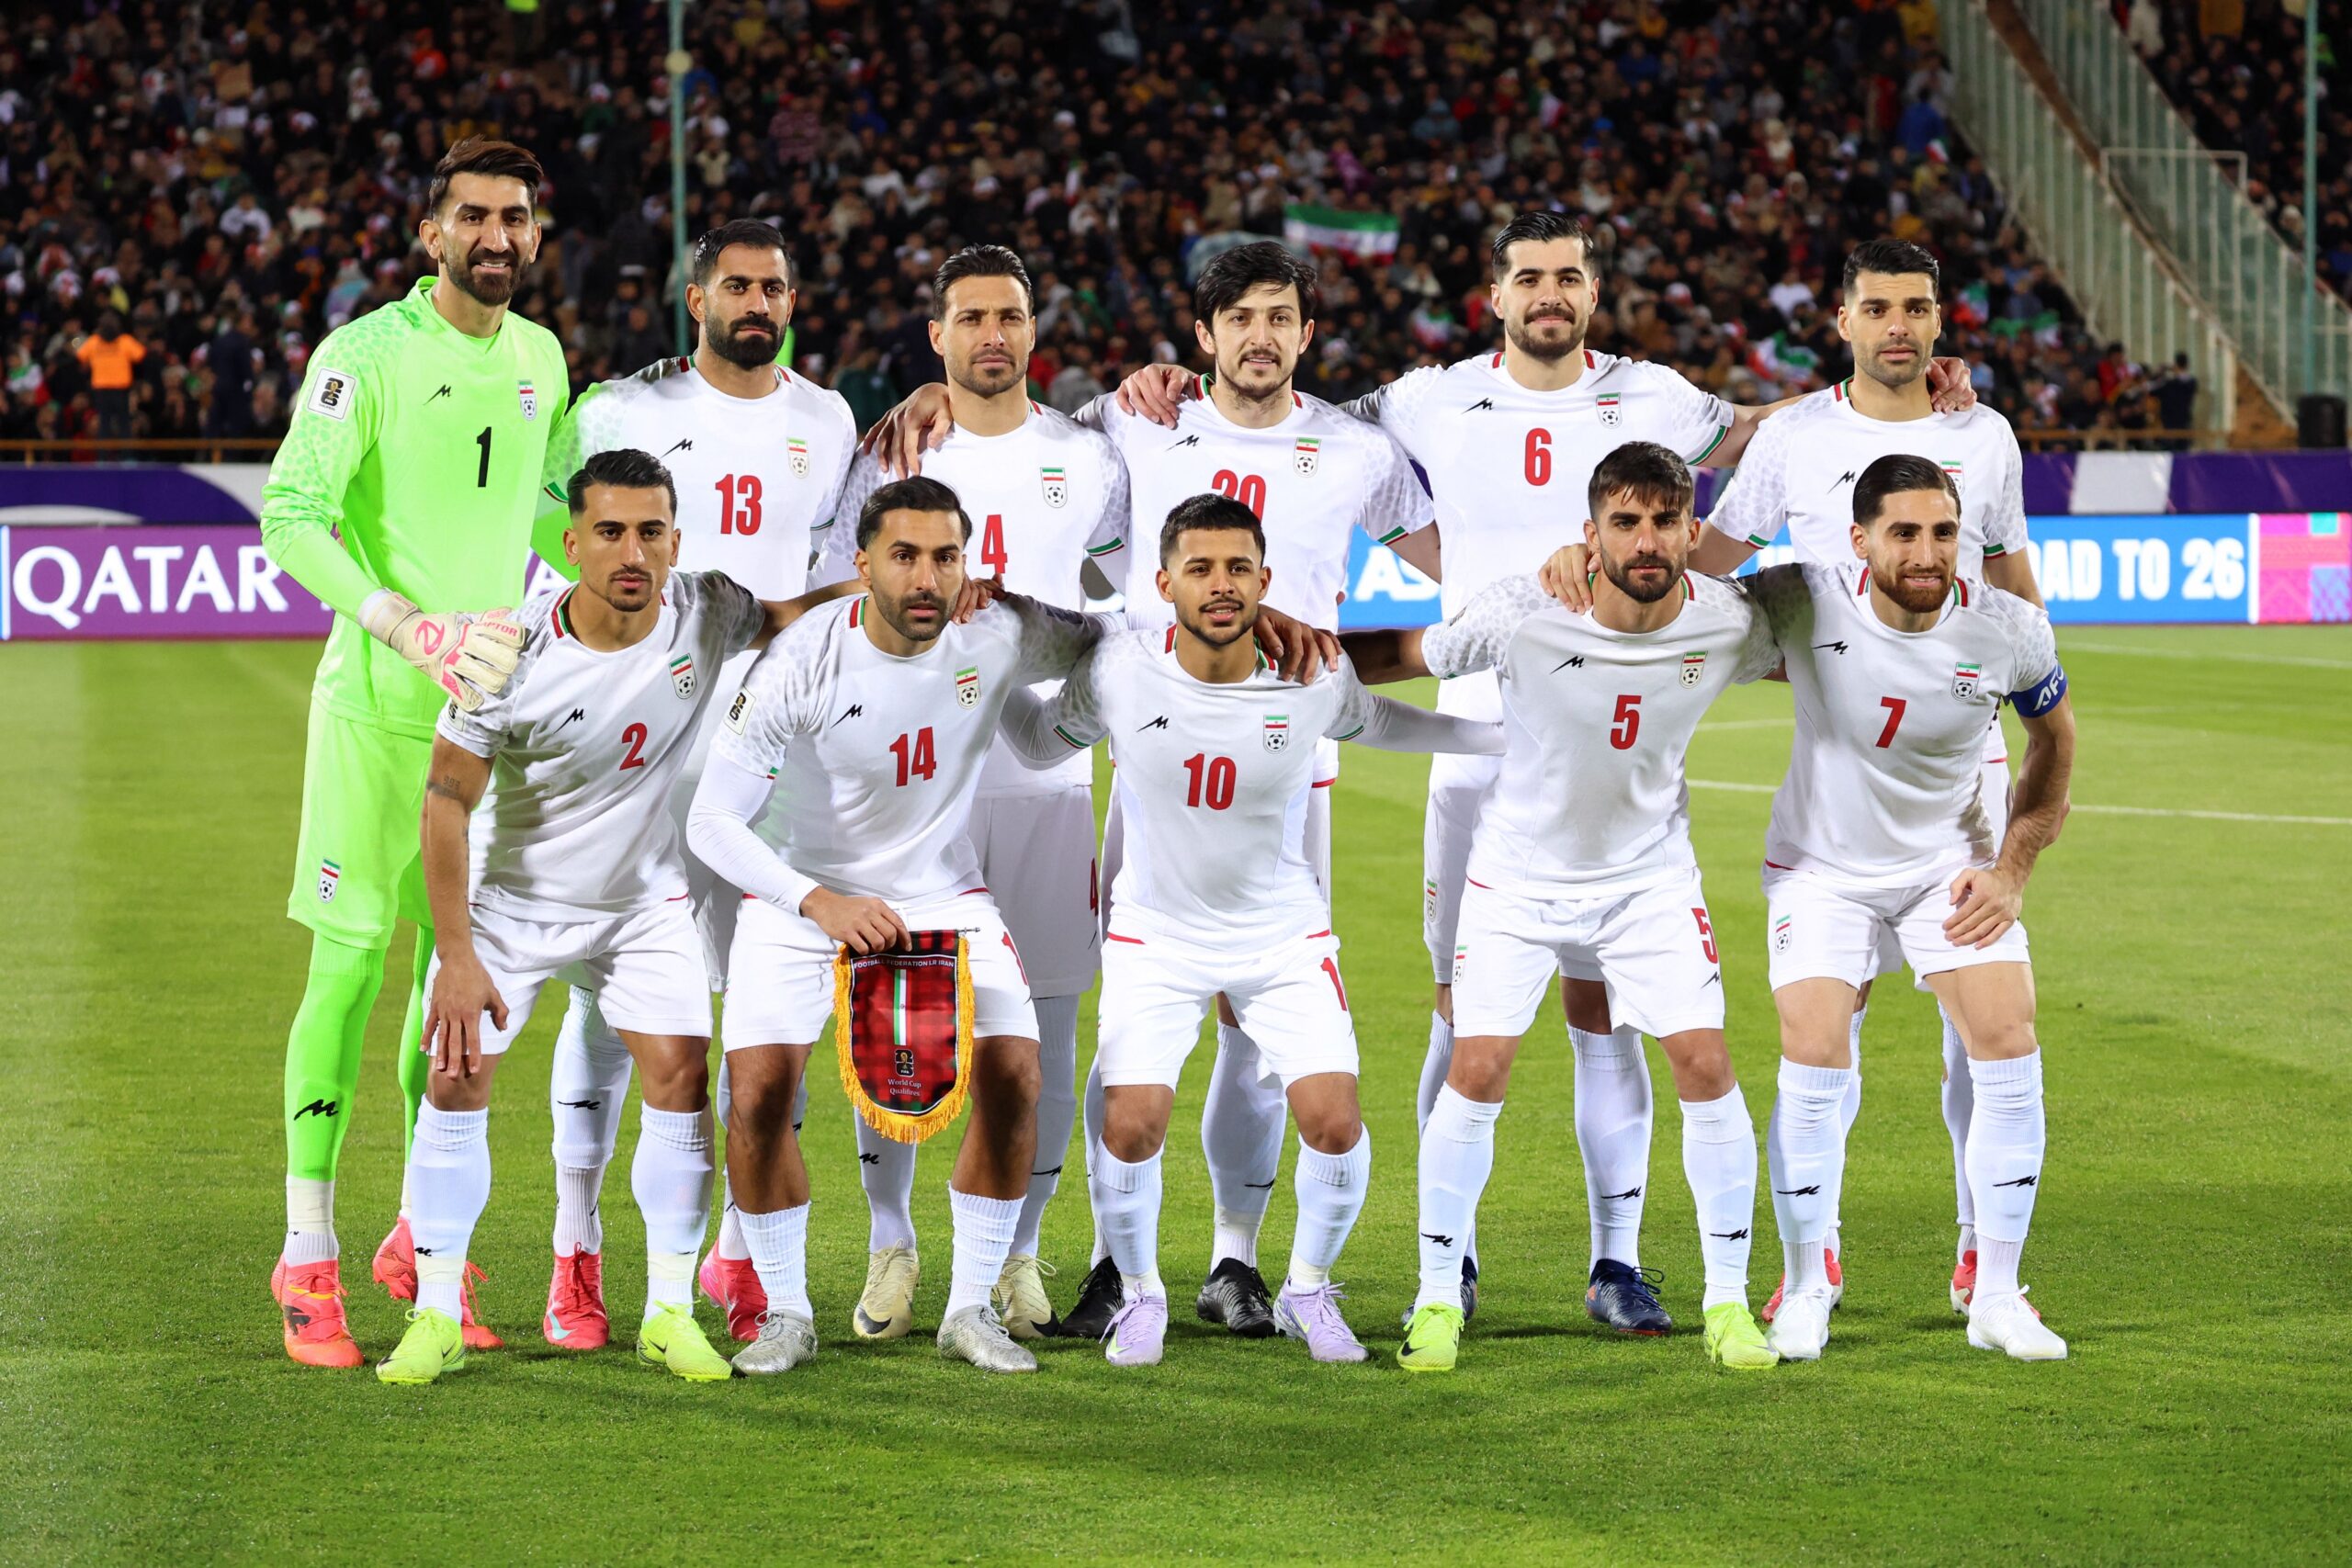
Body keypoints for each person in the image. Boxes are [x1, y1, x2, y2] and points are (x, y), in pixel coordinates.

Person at [1114, 215, 1979, 1334]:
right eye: (1528, 277)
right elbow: (1286, 406)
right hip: (1478, 750)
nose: (1549, 294)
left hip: (1608, 756)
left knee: (1604, 1011)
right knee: (1456, 1019)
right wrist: (1162, 378)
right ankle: (1450, 1262)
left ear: (1592, 289)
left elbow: (1774, 432)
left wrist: (1895, 376)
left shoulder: (1658, 395)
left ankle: (1616, 1261)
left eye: (1568, 275)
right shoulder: (1423, 400)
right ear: (1494, 293)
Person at [864, 241, 1437, 1342]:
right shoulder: (1132, 423)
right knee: (1132, 1004)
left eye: (1282, 317)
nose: (1261, 337)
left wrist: (1338, 651)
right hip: (1152, 757)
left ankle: (1234, 1258)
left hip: (1290, 760)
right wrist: (935, 390)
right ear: (1202, 334)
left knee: (1258, 1026)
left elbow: (1435, 554)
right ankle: (1106, 1263)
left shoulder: (1357, 449)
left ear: (1307, 335)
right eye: (1240, 318)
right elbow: (1007, 419)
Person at [1546, 238, 2047, 1321]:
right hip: (1836, 745)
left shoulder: (1983, 434)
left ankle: (1978, 1247)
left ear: (1939, 322)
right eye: (1878, 308)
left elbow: (2007, 571)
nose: (1900, 328)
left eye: (1917, 308)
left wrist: (2021, 657)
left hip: (1960, 760)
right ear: (1842, 320)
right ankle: (1810, 1261)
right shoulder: (1797, 436)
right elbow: (1712, 560)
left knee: (1985, 1022)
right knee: (1832, 1019)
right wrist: (1608, 599)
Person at [994, 493, 1502, 1366]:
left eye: (1238, 568)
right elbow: (1042, 745)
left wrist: (1500, 739)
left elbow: (1384, 723)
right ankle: (1143, 1293)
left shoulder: (1311, 675)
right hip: (1156, 935)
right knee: (1130, 1125)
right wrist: (990, 672)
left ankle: (1308, 1288)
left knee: (1336, 1122)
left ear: (1266, 580)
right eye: (1199, 568)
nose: (1220, 586)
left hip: (1282, 935)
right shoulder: (1120, 669)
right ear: (1162, 584)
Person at [1343, 443, 1783, 1374]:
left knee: (1704, 1062)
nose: (1647, 539)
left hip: (1648, 882)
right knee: (1480, 1064)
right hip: (1517, 877)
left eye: (1665, 520)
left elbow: (1836, 648)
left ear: (1692, 531)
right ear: (1589, 534)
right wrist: (1283, 658)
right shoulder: (1521, 611)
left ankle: (1728, 1305)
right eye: (1625, 521)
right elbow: (1400, 655)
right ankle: (1433, 1301)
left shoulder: (1728, 621)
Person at [380, 448, 809, 1385]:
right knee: (454, 1077)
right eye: (610, 532)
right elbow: (446, 798)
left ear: (675, 541)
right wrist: (454, 954)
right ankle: (438, 1313)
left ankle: (665, 1311)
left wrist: (882, 584)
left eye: (650, 532)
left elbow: (787, 620)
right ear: (571, 543)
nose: (632, 552)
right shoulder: (506, 651)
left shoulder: (708, 607)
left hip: (645, 905)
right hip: (517, 904)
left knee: (678, 1078)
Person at [257, 137, 571, 1369]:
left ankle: (415, 1238)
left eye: (517, 218)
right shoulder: (367, 357)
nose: (497, 236)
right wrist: (406, 622)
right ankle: (306, 1254)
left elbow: (543, 502)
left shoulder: (542, 357)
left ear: (536, 235)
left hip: (483, 728)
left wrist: (561, 594)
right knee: (346, 972)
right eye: (475, 216)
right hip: (376, 714)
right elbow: (293, 512)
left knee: (458, 982)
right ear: (431, 231)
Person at [527, 219, 860, 1351]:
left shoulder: (828, 418)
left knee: (771, 1002)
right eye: (734, 286)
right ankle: (575, 1254)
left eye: (773, 285)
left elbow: (825, 582)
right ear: (695, 295)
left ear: (792, 299)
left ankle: (734, 1256)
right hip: (647, 749)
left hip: (778, 754)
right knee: (608, 1000)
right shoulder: (623, 412)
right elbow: (555, 550)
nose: (754, 302)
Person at [814, 245, 1128, 1344]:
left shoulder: (1087, 460)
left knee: (1041, 1021)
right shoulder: (889, 451)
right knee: (897, 1022)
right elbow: (835, 581)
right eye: (969, 317)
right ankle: (890, 1242)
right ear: (936, 336)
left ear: (1034, 331)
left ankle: (1019, 1255)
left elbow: (1127, 599)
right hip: (908, 793)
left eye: (1009, 315)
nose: (991, 334)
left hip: (1041, 780)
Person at [1747, 454, 2074, 1362]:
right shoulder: (1796, 600)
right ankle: (1809, 1281)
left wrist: (2009, 871)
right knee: (1812, 1046)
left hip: (1949, 867)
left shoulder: (2009, 628)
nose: (1927, 552)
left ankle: (1998, 1296)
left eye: (1941, 532)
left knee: (2008, 1040)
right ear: (1858, 540)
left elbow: (2055, 744)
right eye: (1903, 532)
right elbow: (1666, 621)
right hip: (1822, 867)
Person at [74, 311, 145, 440]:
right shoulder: (98, 341)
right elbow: (81, 356)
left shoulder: (122, 341)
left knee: (120, 422)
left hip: (118, 388)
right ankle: (106, 457)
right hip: (104, 389)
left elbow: (140, 355)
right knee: (107, 423)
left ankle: (125, 457)